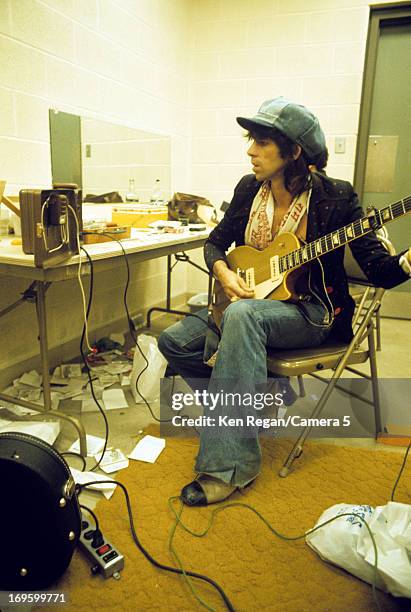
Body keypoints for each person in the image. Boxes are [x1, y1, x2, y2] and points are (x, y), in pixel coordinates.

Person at [158, 97, 411, 507]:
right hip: (257, 304)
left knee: (241, 316)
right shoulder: (248, 189)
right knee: (173, 342)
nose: (250, 151)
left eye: (262, 142)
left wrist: (408, 260)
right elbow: (216, 243)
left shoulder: (336, 198)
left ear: (294, 152)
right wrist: (223, 272)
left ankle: (228, 466)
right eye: (251, 140)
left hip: (313, 312)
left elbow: (380, 270)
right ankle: (259, 400)